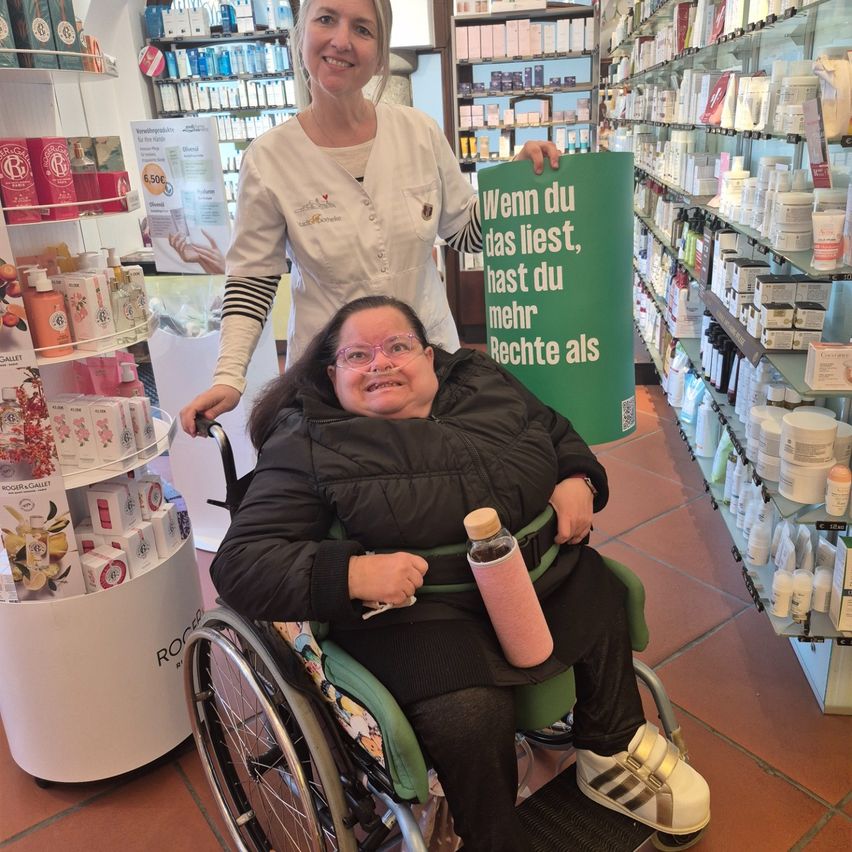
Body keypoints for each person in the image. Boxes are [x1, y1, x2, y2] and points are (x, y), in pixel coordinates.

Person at [210, 296, 711, 852]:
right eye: (358, 355)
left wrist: (578, 477)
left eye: (397, 346)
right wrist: (350, 574)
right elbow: (240, 562)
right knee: (468, 715)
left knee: (605, 595)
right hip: (420, 616)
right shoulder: (308, 440)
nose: (380, 362)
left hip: (538, 577)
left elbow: (553, 429)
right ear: (333, 375)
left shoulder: (482, 382)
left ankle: (608, 751)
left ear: (429, 356)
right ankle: (492, 836)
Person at [179, 0, 561, 436]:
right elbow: (252, 279)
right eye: (326, 19)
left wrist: (512, 189)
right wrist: (228, 377)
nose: (341, 40)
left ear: (380, 56)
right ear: (299, 33)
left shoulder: (418, 133)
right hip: (335, 382)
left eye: (362, 29)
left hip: (427, 367)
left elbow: (465, 234)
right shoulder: (269, 158)